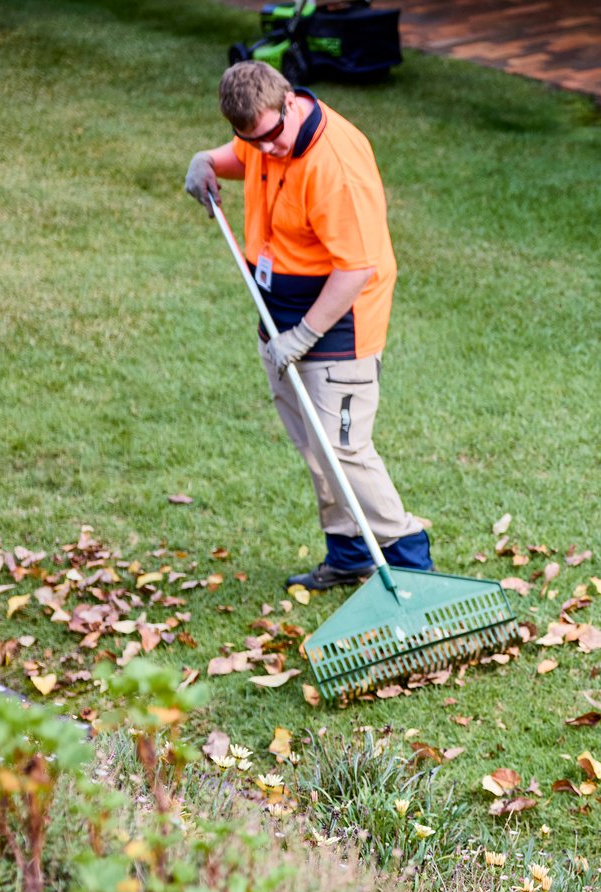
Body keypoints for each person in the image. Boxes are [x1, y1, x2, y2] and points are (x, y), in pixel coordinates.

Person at [184, 61, 432, 591]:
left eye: (272, 136)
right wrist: (205, 160)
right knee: (315, 447)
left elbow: (356, 269)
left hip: (337, 329)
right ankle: (348, 554)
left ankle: (415, 565)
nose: (265, 148)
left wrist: (301, 337)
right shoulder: (264, 134)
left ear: (290, 102)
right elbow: (242, 155)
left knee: (344, 450)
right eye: (251, 139)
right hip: (280, 316)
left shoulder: (333, 164)